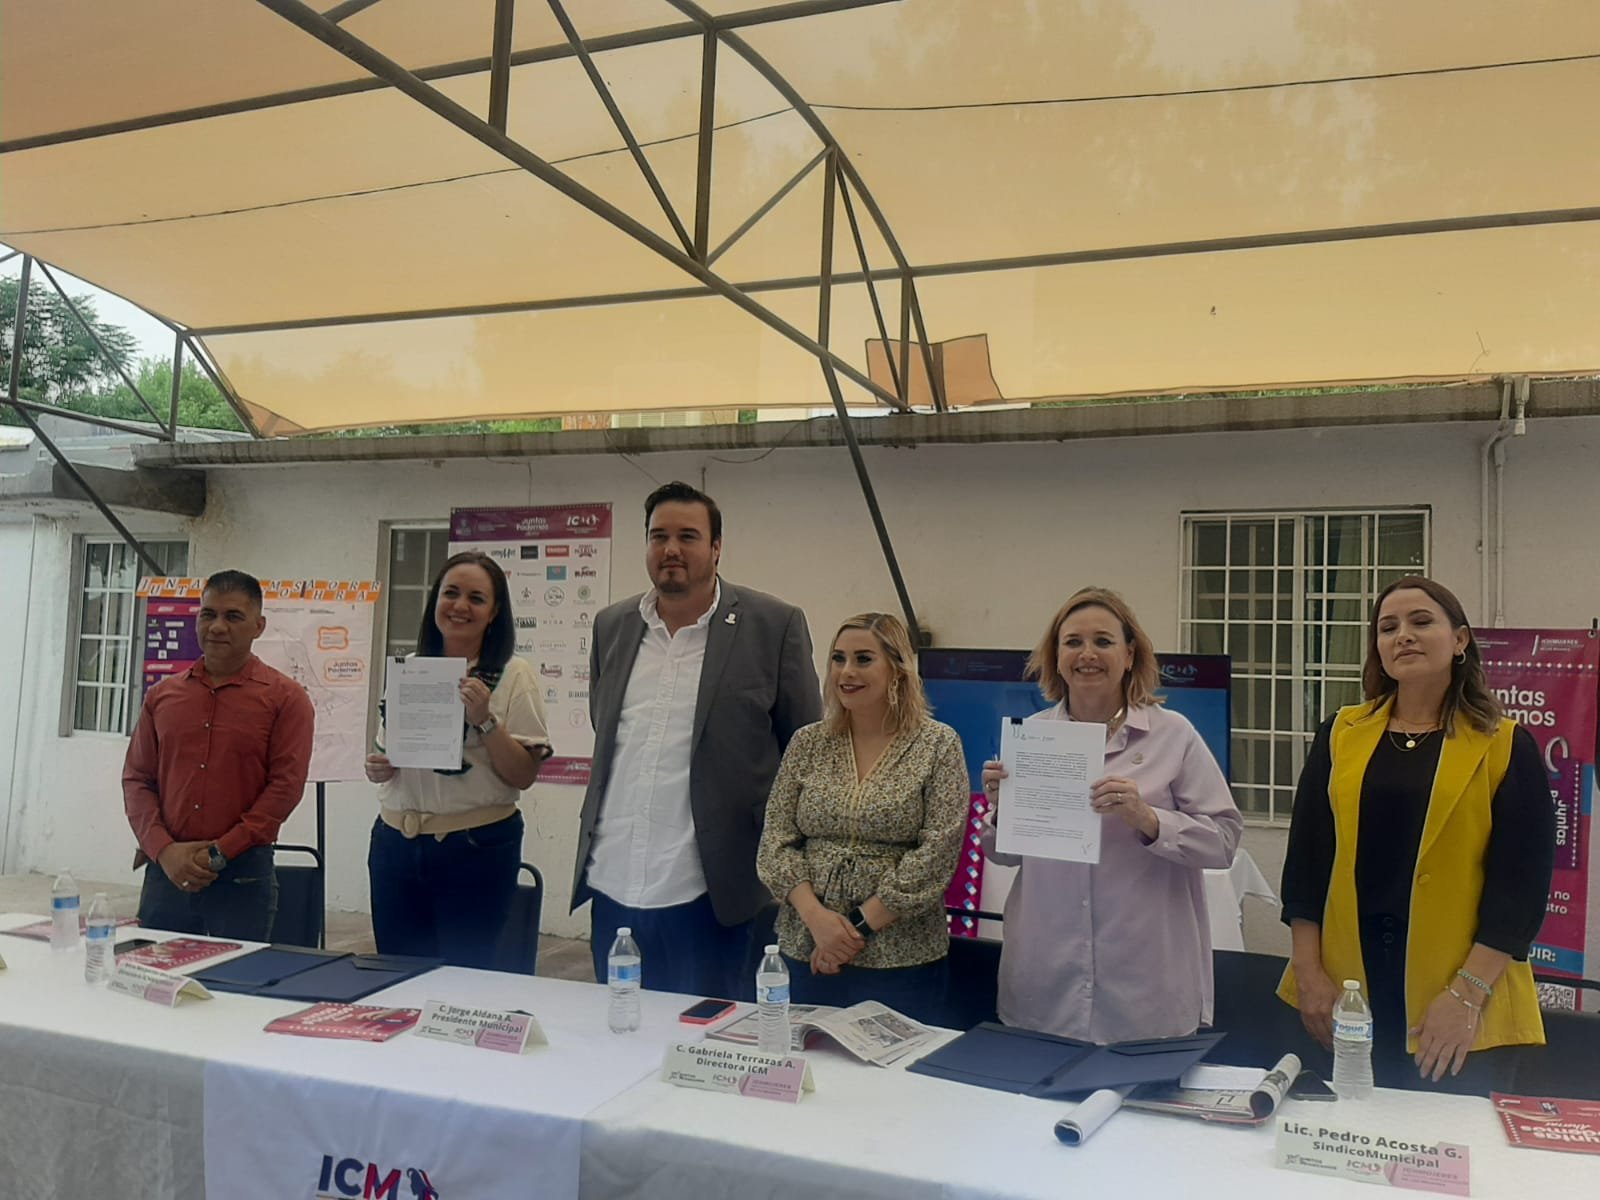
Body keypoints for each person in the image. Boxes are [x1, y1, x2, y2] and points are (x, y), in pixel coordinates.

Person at [1278, 576, 1553, 1090]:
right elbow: (1307, 864)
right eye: (1388, 628)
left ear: (1460, 640)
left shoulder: (1504, 745)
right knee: (1342, 1133)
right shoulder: (1340, 734)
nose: (1402, 635)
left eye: (1421, 622)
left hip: (1458, 996)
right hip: (1346, 991)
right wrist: (1308, 973)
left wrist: (1466, 995)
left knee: (1446, 1138)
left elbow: (1520, 890)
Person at [573, 481, 822, 1000]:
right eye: (658, 536)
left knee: (703, 1037)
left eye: (688, 536)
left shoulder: (773, 626)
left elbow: (804, 756)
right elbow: (608, 732)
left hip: (712, 894)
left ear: (716, 547)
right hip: (614, 883)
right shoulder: (611, 626)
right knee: (616, 1031)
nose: (671, 549)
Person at [980, 586, 1242, 1043]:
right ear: (1056, 655)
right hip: (1046, 984)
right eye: (1073, 642)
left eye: (1103, 641)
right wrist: (1004, 812)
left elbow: (1224, 842)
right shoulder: (1031, 737)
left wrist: (1148, 819)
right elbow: (1004, 857)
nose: (1087, 654)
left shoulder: (1173, 735)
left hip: (1145, 988)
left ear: (1129, 654)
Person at [757, 612, 969, 1024]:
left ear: (897, 669)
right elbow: (775, 841)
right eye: (838, 658)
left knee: (892, 1066)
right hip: (805, 947)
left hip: (900, 959)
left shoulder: (937, 745)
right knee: (800, 1059)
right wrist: (818, 922)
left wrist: (851, 932)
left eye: (863, 659)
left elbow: (937, 853)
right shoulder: (808, 742)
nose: (847, 671)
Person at [364, 551, 551, 968]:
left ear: (494, 611)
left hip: (474, 846)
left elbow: (523, 775)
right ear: (435, 600)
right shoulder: (411, 668)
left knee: (465, 979)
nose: (460, 606)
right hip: (394, 843)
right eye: (451, 593)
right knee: (396, 975)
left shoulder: (513, 674)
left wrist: (485, 719)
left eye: (476, 598)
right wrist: (379, 766)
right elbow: (387, 753)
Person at [123, 569, 315, 940]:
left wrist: (219, 852)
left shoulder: (286, 700)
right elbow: (137, 779)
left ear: (259, 626)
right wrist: (164, 851)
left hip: (242, 878)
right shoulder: (162, 696)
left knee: (235, 977)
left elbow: (285, 788)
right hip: (167, 875)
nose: (217, 627)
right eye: (208, 614)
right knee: (153, 974)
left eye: (233, 616)